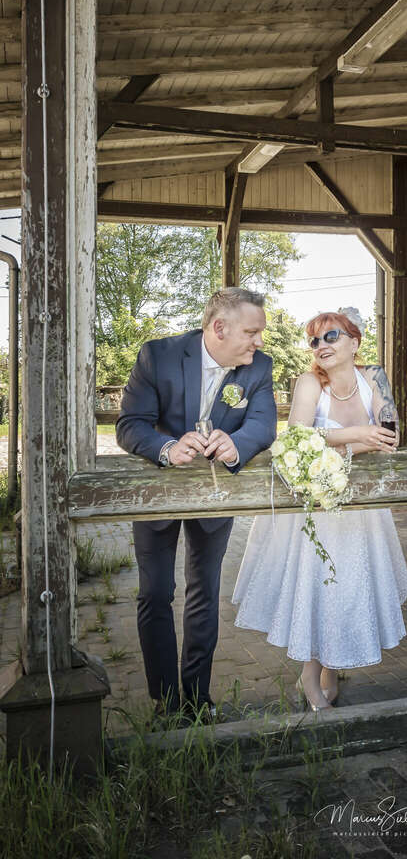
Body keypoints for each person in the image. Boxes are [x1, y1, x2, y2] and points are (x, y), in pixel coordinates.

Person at [232, 307, 407, 711]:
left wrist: (342, 444)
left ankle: (330, 672)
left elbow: (391, 434)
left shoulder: (374, 377)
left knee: (348, 589)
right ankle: (309, 679)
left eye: (331, 336)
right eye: (314, 340)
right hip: (316, 504)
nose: (320, 346)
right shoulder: (310, 382)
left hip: (360, 508)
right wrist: (357, 437)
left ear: (355, 342)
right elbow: (297, 437)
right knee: (320, 588)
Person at [116, 287, 276, 721]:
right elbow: (130, 425)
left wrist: (237, 443)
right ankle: (166, 701)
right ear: (219, 328)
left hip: (215, 497)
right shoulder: (158, 356)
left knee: (204, 592)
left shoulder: (259, 366)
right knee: (155, 593)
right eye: (252, 332)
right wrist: (167, 447)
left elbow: (263, 424)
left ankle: (197, 698)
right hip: (159, 494)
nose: (259, 341)